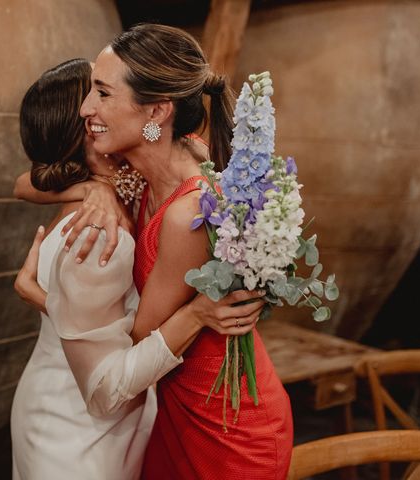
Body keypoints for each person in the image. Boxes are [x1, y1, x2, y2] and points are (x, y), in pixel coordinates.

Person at [10, 58, 263, 480]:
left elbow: (26, 182)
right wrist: (196, 313)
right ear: (89, 126)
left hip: (122, 420)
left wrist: (96, 186)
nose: (100, 102)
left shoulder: (138, 181)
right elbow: (108, 380)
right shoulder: (94, 235)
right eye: (97, 94)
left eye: (104, 93)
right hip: (74, 436)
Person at [63, 24, 294, 479]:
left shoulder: (187, 211)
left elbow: (138, 339)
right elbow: (29, 182)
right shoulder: (169, 157)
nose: (87, 108)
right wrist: (101, 188)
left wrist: (55, 306)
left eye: (103, 94)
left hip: (227, 426)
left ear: (157, 110)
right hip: (175, 409)